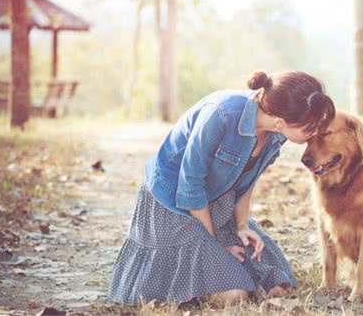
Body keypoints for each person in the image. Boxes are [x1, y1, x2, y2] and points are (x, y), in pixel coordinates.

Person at [108, 71, 336, 306]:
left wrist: (242, 226)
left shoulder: (277, 134)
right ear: (280, 121)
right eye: (310, 128)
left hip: (218, 200)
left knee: (278, 283)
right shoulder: (221, 114)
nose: (315, 134)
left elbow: (248, 181)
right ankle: (200, 283)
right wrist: (216, 247)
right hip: (173, 204)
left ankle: (223, 268)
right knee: (234, 296)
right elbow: (190, 187)